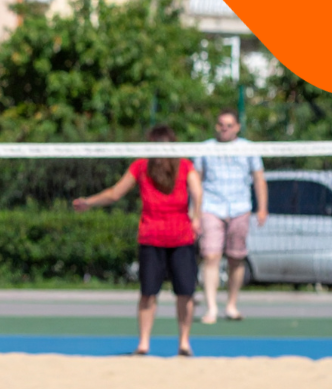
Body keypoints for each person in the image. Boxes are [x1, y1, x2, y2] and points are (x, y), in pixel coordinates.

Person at [73, 126, 203, 356]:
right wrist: (89, 202)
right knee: (148, 293)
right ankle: (143, 343)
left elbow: (198, 191)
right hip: (151, 237)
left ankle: (184, 342)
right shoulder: (141, 166)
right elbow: (115, 193)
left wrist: (197, 216)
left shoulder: (184, 165)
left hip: (181, 238)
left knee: (185, 293)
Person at [194, 109, 268, 324]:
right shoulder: (204, 148)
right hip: (211, 207)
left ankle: (231, 305)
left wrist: (262, 207)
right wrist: (195, 212)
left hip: (239, 207)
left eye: (229, 125)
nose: (224, 128)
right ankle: (211, 308)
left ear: (237, 127)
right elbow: (195, 181)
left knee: (236, 257)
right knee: (211, 256)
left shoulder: (248, 148)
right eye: (220, 124)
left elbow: (259, 179)